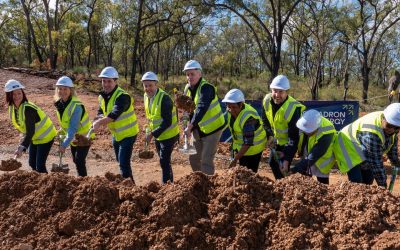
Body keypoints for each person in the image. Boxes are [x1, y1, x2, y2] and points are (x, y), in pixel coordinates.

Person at [334, 103, 400, 188]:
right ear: (383, 118)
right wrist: (384, 188)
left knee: (368, 180)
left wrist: (396, 163)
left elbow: (392, 147)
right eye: (389, 126)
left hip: (362, 147)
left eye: (397, 128)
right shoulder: (371, 132)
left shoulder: (392, 123)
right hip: (347, 146)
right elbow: (376, 163)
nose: (392, 130)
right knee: (357, 183)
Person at [92, 66, 139, 181]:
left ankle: (130, 190)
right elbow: (101, 111)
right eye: (104, 81)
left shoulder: (122, 96)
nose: (106, 84)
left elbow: (113, 115)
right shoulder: (102, 96)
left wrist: (99, 123)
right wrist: (97, 119)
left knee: (123, 163)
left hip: (128, 134)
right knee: (120, 160)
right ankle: (130, 186)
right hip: (117, 134)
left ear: (115, 81)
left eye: (109, 81)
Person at [181, 60, 226, 175]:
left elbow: (201, 108)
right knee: (193, 158)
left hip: (213, 129)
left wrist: (190, 127)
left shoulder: (207, 88)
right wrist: (186, 120)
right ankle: (199, 182)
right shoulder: (187, 88)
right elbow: (188, 108)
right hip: (198, 128)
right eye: (187, 74)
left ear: (200, 74)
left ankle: (208, 186)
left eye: (192, 74)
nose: (189, 77)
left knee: (206, 159)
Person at [5, 79, 56, 173]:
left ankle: (45, 184)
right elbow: (24, 128)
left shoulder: (28, 109)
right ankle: (37, 181)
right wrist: (22, 144)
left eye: (19, 93)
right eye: (13, 94)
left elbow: (31, 131)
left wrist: (22, 146)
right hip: (35, 137)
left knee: (40, 166)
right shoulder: (12, 108)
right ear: (9, 95)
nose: (17, 96)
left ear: (23, 93)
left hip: (46, 137)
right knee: (32, 163)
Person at [262, 75, 305, 179]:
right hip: (276, 141)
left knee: (283, 167)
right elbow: (265, 121)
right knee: (273, 163)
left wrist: (287, 158)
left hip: (289, 143)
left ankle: (286, 186)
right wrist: (270, 135)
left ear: (287, 92)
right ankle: (281, 184)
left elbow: (294, 137)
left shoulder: (293, 108)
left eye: (281, 92)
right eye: (274, 91)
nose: (277, 95)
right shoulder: (267, 100)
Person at [142, 72, 179, 183]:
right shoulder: (146, 96)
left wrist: (152, 134)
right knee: (164, 161)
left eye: (150, 85)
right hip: (159, 135)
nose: (148, 88)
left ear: (156, 85)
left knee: (164, 160)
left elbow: (167, 122)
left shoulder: (165, 99)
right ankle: (168, 183)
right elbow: (150, 117)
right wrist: (148, 130)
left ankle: (167, 185)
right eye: (145, 85)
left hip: (169, 135)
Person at [54, 76, 93, 176]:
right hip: (73, 137)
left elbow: (72, 128)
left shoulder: (76, 106)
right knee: (76, 160)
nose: (62, 91)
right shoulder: (60, 104)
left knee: (79, 160)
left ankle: (83, 180)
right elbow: (65, 123)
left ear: (70, 90)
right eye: (60, 89)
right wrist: (61, 132)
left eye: (65, 89)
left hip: (84, 137)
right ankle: (81, 178)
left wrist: (64, 145)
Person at [222, 89, 266, 172]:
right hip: (242, 147)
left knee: (250, 173)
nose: (231, 110)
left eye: (234, 107)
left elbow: (248, 142)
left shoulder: (248, 117)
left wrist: (235, 159)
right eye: (229, 106)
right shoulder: (229, 111)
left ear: (241, 105)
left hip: (254, 148)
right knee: (242, 170)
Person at [290, 109, 336, 184]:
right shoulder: (304, 122)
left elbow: (316, 153)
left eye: (309, 131)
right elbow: (295, 140)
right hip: (308, 154)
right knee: (304, 181)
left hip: (322, 160)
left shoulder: (327, 130)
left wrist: (295, 169)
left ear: (316, 127)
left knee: (322, 183)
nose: (306, 132)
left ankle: (324, 194)